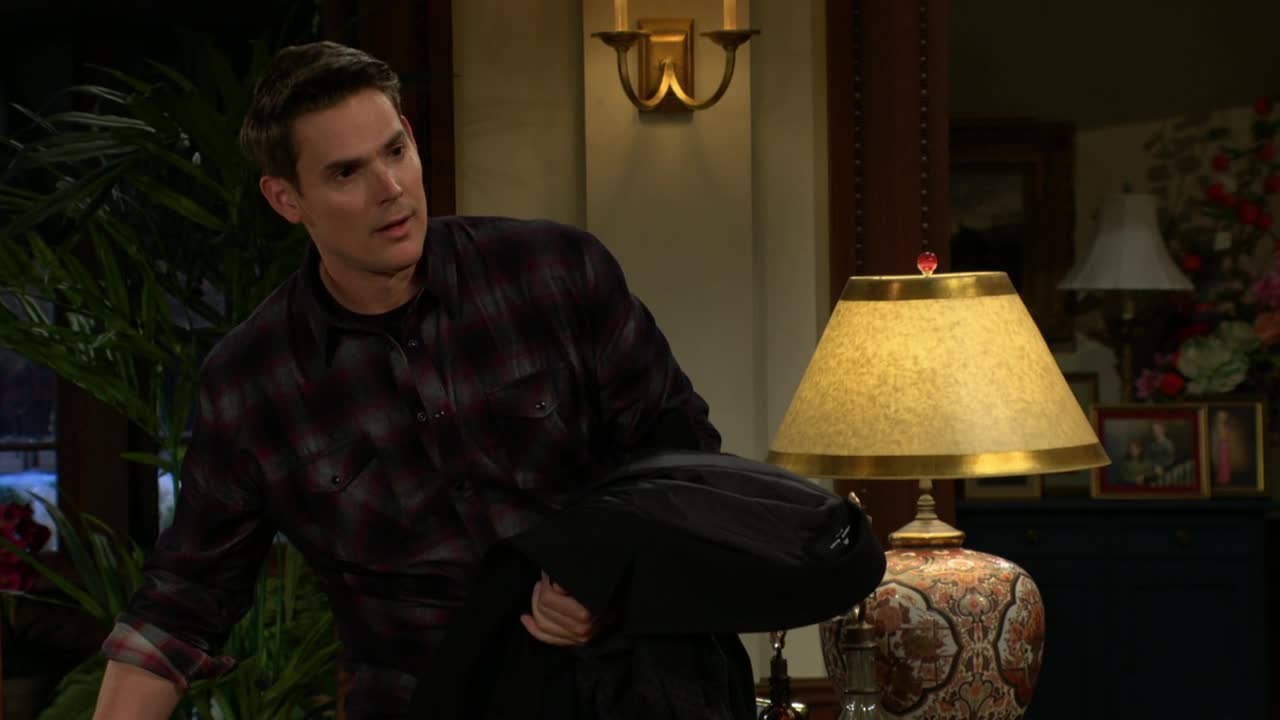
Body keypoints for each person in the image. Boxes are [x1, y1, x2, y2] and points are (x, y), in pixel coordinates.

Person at [91, 41, 720, 719]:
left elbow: (680, 448)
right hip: (427, 699)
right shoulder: (255, 381)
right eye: (346, 173)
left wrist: (601, 571)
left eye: (395, 152)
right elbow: (185, 599)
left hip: (632, 686)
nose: (389, 189)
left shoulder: (553, 271)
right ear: (286, 198)